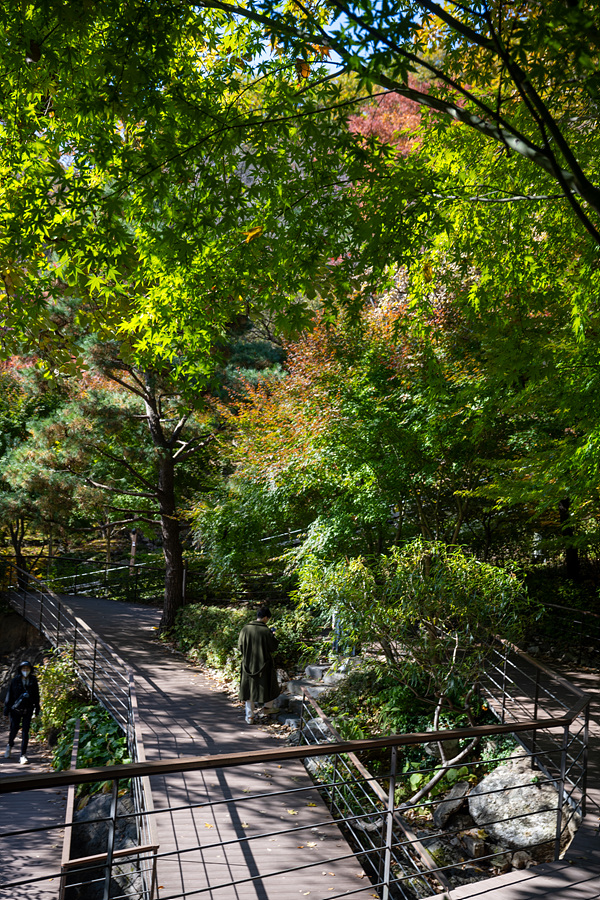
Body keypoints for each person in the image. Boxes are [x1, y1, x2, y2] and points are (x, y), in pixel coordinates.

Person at [238, 606, 279, 724]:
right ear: (265, 617)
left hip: (247, 664)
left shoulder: (245, 629)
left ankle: (250, 717)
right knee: (269, 686)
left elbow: (240, 647)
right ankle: (267, 708)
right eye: (268, 619)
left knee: (249, 690)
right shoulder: (266, 631)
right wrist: (273, 635)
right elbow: (273, 647)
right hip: (264, 664)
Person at [3, 660, 41, 765]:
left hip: (28, 709)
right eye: (23, 669)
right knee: (14, 730)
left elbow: (36, 695)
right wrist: (6, 710)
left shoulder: (33, 680)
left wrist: (37, 708)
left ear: (30, 670)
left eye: (27, 669)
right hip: (15, 709)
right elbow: (9, 695)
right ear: (20, 670)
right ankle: (9, 745)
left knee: (25, 732)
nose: (25, 671)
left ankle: (23, 755)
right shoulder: (15, 680)